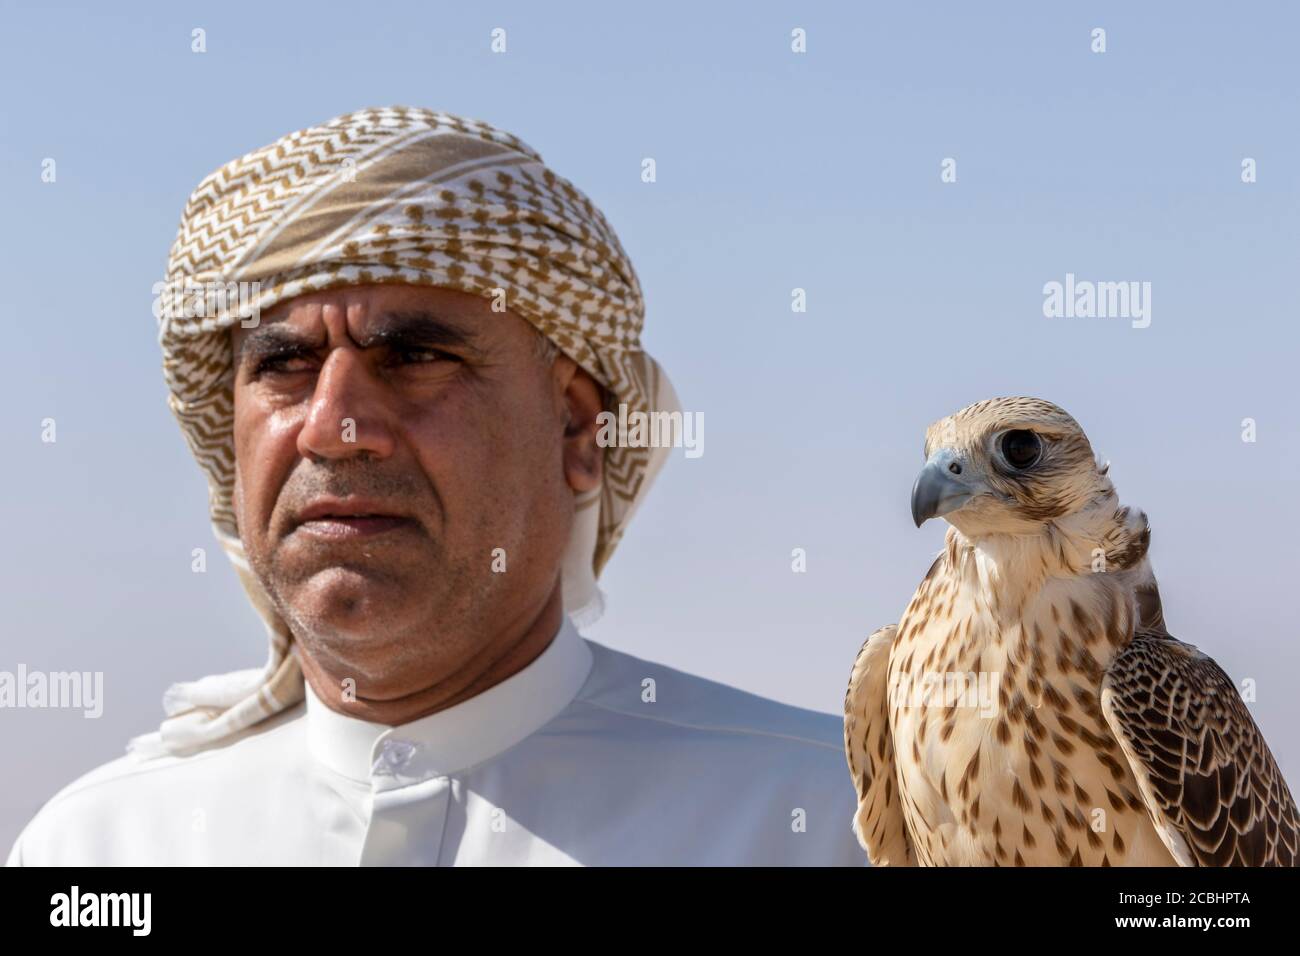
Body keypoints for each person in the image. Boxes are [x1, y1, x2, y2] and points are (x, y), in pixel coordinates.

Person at [6, 107, 864, 866]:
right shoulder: (96, 848)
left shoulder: (835, 824)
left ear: (575, 429)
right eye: (284, 364)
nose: (332, 427)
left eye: (414, 358)